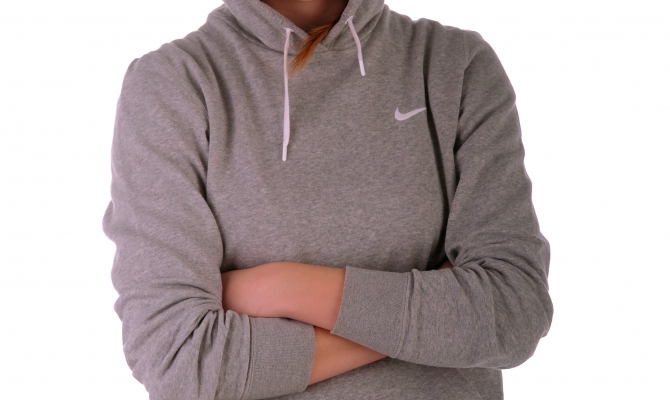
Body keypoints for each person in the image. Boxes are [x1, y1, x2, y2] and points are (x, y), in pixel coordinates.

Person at [102, 0, 553, 398]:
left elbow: (513, 312)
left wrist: (282, 286)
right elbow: (180, 362)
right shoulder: (173, 83)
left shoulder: (454, 64)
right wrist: (433, 322)